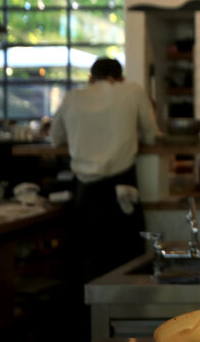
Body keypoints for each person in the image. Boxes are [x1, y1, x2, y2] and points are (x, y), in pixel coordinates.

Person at [51, 58, 159, 277]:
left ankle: (87, 308)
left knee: (88, 256)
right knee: (125, 258)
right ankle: (124, 306)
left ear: (91, 78)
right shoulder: (132, 91)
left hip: (86, 190)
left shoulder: (73, 97)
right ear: (121, 78)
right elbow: (151, 134)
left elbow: (56, 138)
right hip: (122, 187)